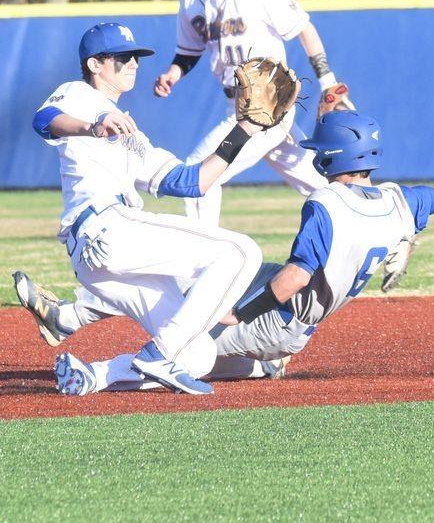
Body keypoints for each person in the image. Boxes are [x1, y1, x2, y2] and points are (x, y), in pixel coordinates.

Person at [16, 101, 434, 393]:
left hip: (279, 315)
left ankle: (98, 375)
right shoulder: (397, 202)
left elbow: (296, 278)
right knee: (187, 279)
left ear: (332, 157)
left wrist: (239, 315)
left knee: (190, 345)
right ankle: (72, 317)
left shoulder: (326, 204)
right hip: (292, 312)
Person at [24, 20, 286, 396]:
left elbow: (191, 182)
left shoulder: (133, 135)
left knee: (199, 354)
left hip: (97, 263)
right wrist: (93, 126)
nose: (133, 63)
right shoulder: (79, 94)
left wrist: (244, 130)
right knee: (242, 251)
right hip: (106, 228)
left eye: (136, 57)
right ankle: (157, 354)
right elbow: (44, 121)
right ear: (96, 64)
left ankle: (94, 376)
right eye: (122, 57)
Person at [153, 0, 352, 225]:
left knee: (201, 171)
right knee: (316, 180)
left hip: (269, 102)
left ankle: (204, 258)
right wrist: (173, 73)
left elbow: (304, 28)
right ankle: (375, 219)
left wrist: (327, 79)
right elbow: (188, 52)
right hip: (235, 104)